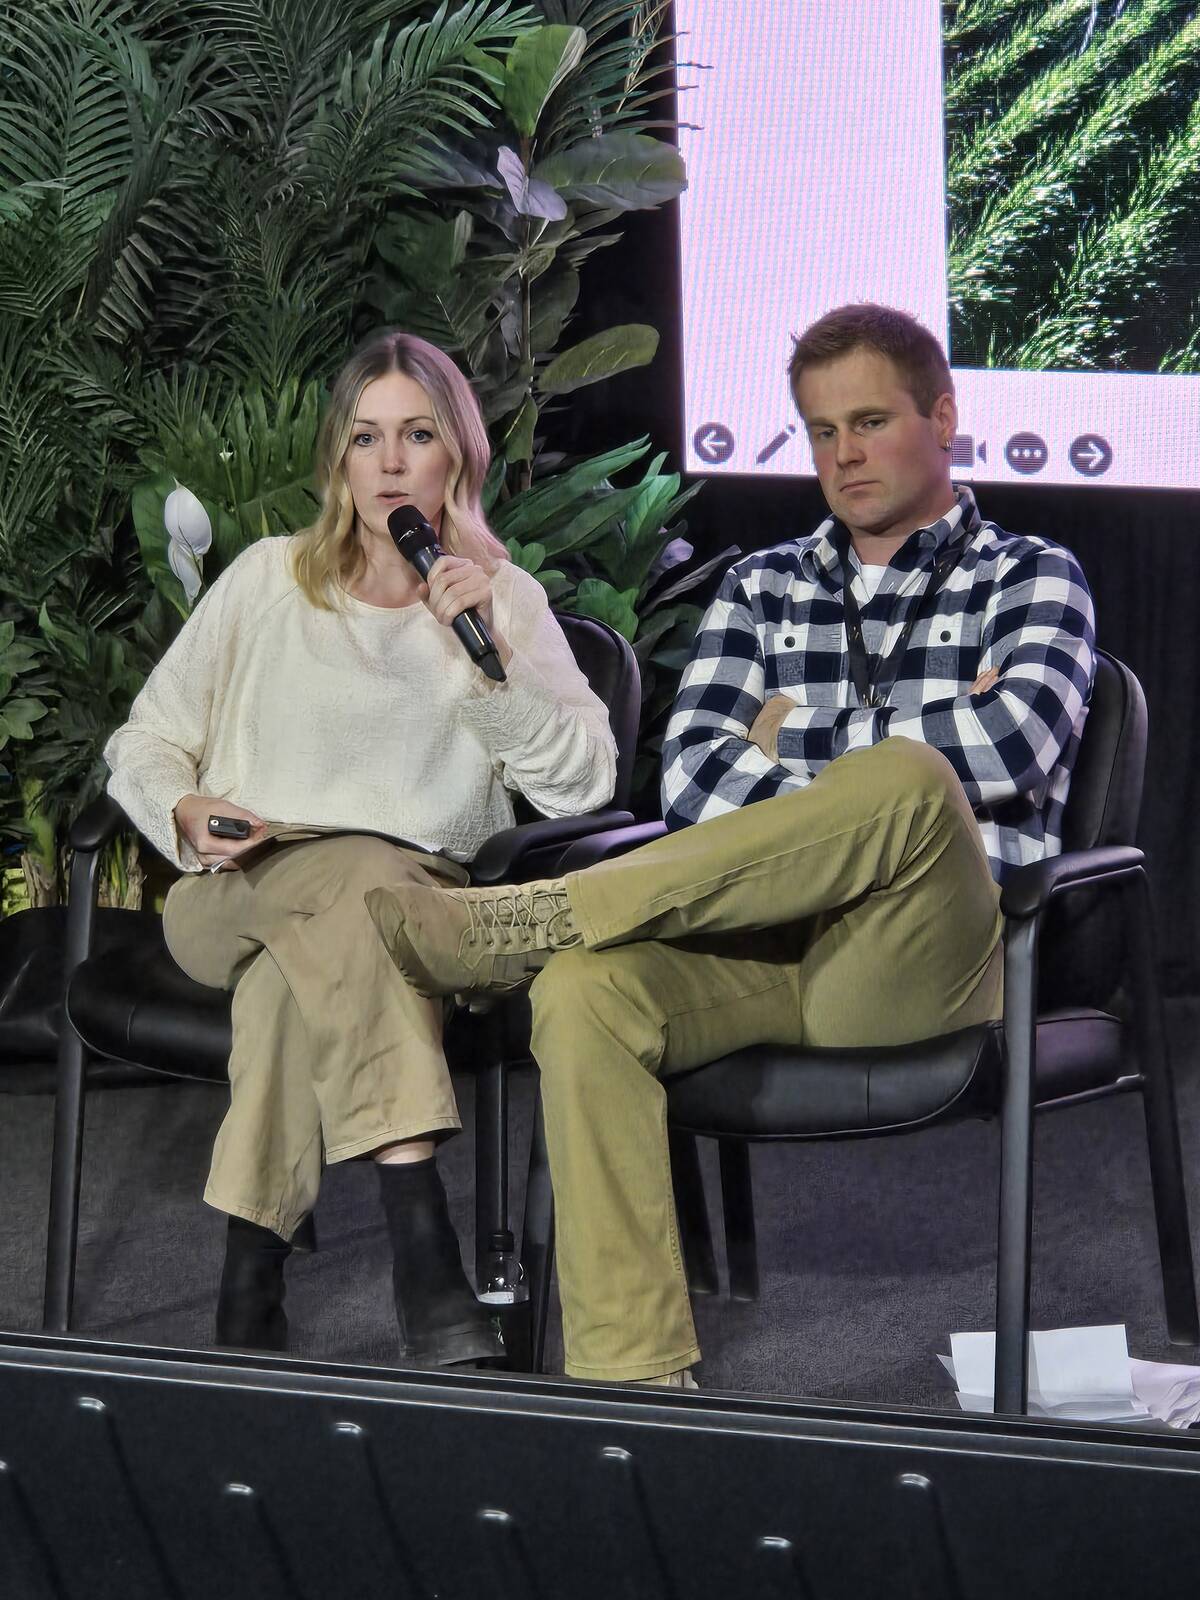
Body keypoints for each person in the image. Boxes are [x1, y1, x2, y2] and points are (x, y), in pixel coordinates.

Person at [366, 303, 1096, 1388]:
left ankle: (547, 910)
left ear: (944, 418)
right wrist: (880, 747)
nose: (842, 454)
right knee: (579, 994)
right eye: (819, 431)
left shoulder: (1033, 574)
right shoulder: (762, 586)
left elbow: (1008, 742)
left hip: (925, 955)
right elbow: (695, 776)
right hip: (751, 938)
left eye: (870, 422)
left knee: (908, 780)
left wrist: (798, 735)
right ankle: (633, 1377)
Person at [104, 330, 618, 1364]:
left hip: (411, 909)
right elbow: (142, 740)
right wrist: (183, 812)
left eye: (416, 435)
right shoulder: (264, 582)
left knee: (309, 967)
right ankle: (418, 1231)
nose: (389, 462)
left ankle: (248, 1291)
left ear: (455, 457)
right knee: (346, 883)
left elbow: (584, 784)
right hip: (237, 888)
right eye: (367, 437)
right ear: (339, 459)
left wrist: (493, 668)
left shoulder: (500, 605)